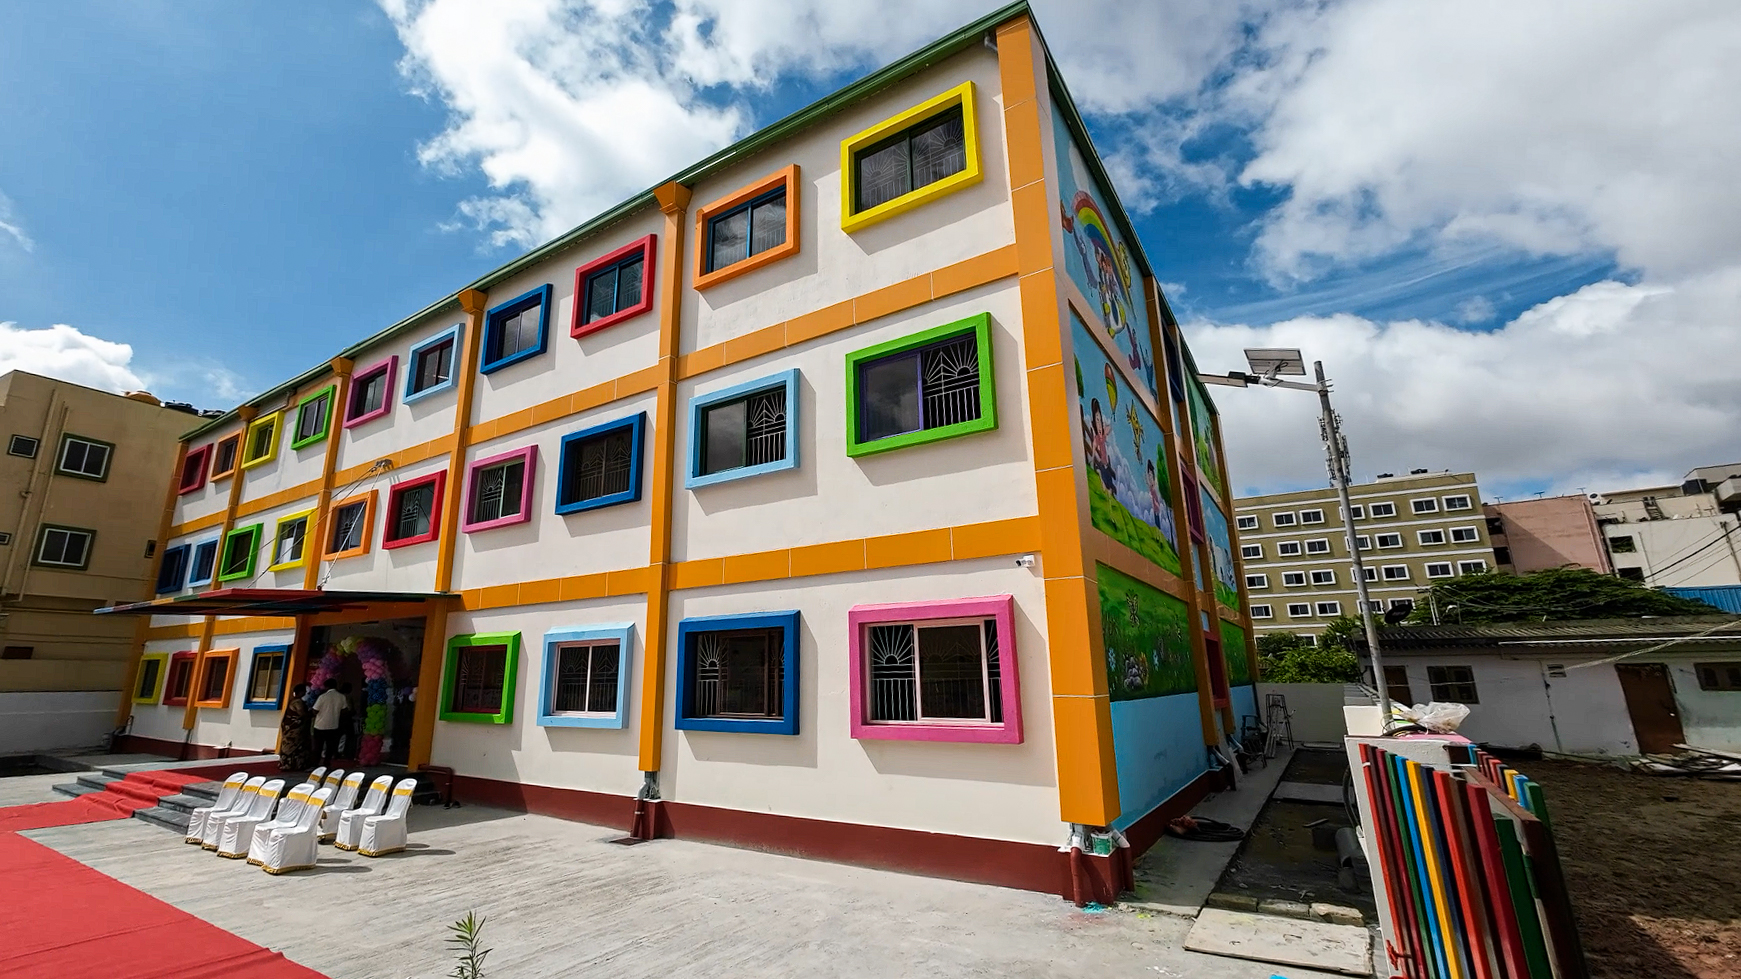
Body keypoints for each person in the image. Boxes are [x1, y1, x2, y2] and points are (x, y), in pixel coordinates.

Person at [278, 683, 313, 772]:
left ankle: (287, 764)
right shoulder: (298, 702)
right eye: (304, 692)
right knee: (296, 747)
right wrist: (311, 713)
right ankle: (295, 765)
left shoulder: (293, 701)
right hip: (295, 730)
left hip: (291, 729)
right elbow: (302, 713)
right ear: (300, 692)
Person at [312, 678, 347, 766]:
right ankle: (327, 763)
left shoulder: (322, 697)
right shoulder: (341, 696)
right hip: (333, 725)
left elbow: (315, 710)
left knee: (318, 746)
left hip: (320, 725)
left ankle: (315, 763)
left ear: (326, 686)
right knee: (330, 746)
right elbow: (344, 710)